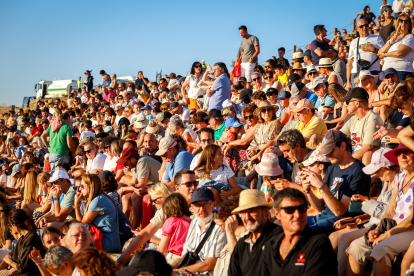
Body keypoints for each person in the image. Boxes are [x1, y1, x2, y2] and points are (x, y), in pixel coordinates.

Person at [301, 130, 371, 235]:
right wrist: (308, 190)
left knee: (303, 233)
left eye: (330, 150)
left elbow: (339, 211)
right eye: (325, 151)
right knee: (286, 226)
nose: (327, 154)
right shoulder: (332, 168)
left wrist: (321, 185)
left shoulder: (359, 172)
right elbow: (321, 207)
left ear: (343, 146)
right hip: (323, 217)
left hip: (340, 221)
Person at [262, 188, 338, 275]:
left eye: (302, 209)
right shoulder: (270, 245)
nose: (298, 215)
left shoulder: (319, 243)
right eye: (289, 210)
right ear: (277, 214)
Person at [172, 188, 226, 275]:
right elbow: (184, 256)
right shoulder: (194, 222)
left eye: (206, 204)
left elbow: (210, 264)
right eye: (197, 205)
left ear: (214, 203)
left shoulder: (220, 225)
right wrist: (169, 270)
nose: (202, 209)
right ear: (192, 207)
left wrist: (178, 272)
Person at [228, 189, 280, 276]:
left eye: (252, 211)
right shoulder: (241, 244)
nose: (247, 217)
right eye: (243, 212)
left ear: (266, 211)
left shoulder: (279, 237)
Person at [74, 174, 121, 253]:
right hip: (110, 241)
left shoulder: (97, 201)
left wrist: (76, 205)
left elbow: (81, 224)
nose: (79, 189)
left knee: (73, 238)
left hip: (107, 243)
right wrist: (84, 201)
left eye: (82, 186)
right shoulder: (100, 198)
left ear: (90, 187)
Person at [0, 209, 46, 276]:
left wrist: (10, 262)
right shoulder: (23, 237)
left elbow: (22, 268)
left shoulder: (31, 239)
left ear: (14, 226)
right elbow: (10, 255)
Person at [346, 19, 384, 90]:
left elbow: (384, 55)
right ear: (357, 29)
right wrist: (348, 81)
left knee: (373, 97)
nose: (364, 28)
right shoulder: (354, 42)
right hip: (357, 73)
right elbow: (350, 62)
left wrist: (373, 50)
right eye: (361, 26)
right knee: (358, 98)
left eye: (366, 25)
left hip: (373, 73)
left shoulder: (377, 38)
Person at [157, 193, 192, 264]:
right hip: (188, 259)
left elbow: (162, 249)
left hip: (173, 258)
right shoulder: (194, 223)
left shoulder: (172, 221)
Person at [378, 13, 414, 80]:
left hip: (400, 71)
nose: (403, 23)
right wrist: (391, 42)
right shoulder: (393, 38)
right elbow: (380, 51)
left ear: (409, 25)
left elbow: (399, 53)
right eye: (401, 21)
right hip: (386, 71)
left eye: (406, 21)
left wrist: (385, 55)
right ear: (398, 23)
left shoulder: (410, 37)